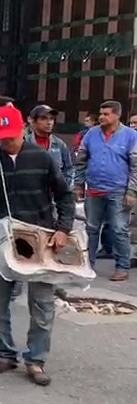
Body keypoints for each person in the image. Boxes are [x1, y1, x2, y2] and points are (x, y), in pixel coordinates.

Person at [0, 105, 74, 386]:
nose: (8, 140)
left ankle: (36, 360)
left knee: (42, 304)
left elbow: (65, 196)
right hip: (0, 242)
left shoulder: (42, 158)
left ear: (24, 128)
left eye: (13, 134)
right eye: (3, 135)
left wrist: (62, 229)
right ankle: (5, 353)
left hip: (40, 241)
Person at [74, 100, 137, 282]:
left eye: (106, 114)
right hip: (94, 190)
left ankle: (122, 266)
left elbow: (135, 166)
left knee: (119, 229)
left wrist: (132, 192)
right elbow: (80, 161)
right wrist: (78, 185)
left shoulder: (131, 136)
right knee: (92, 228)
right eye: (101, 113)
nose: (101, 117)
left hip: (119, 192)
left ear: (117, 115)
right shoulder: (91, 134)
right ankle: (87, 264)